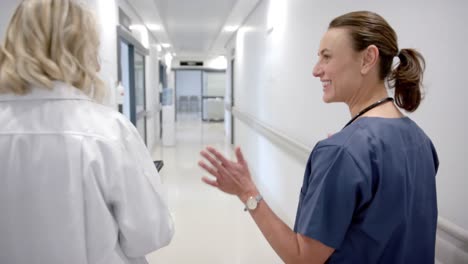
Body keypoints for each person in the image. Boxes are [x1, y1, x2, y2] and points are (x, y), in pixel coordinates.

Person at [199, 11, 438, 263]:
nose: (316, 70)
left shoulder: (343, 151)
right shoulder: (420, 140)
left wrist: (246, 191)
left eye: (326, 57)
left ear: (368, 59)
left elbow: (303, 258)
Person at [0, 1, 173, 263]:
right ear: (77, 52)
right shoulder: (108, 132)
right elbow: (150, 234)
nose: (99, 65)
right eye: (94, 49)